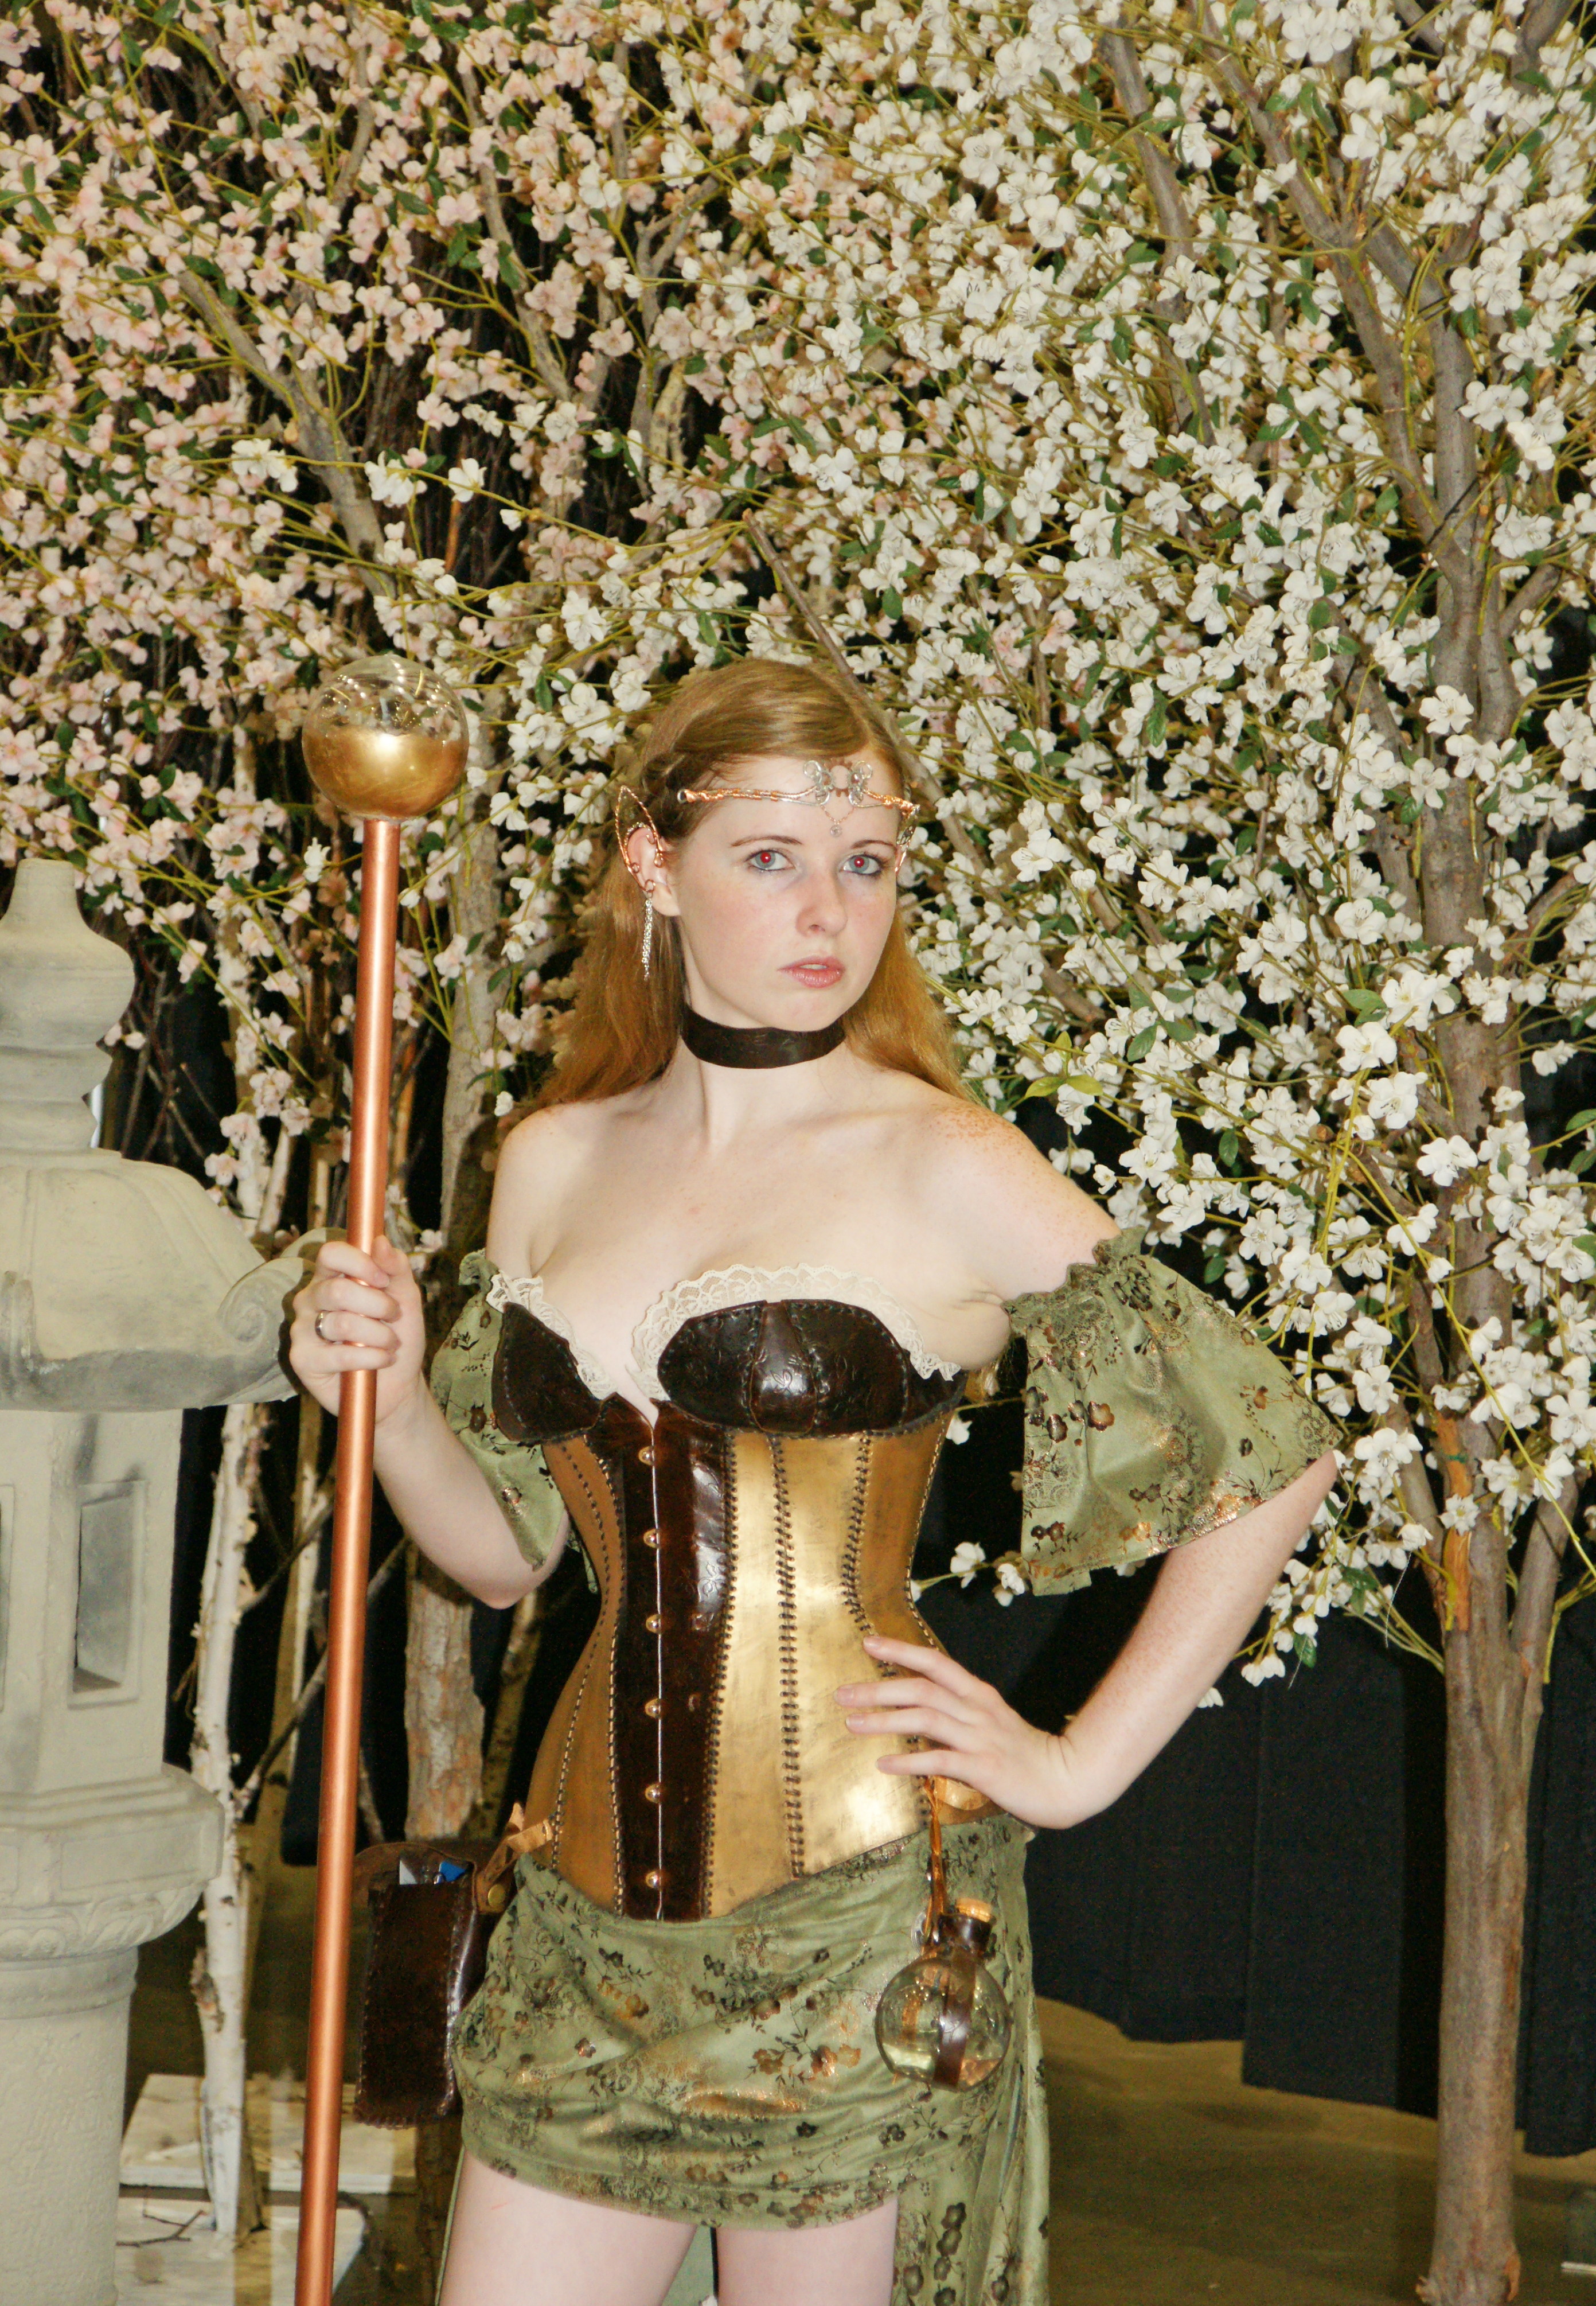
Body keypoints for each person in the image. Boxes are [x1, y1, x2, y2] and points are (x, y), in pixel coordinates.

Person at [289, 655, 1339, 2306]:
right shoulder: (551, 1159)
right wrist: (391, 1394)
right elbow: (501, 1556)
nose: (830, 911)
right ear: (655, 865)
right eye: (771, 857)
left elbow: (1270, 1452)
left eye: (867, 862)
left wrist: (1073, 1766)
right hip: (578, 1913)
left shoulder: (941, 1159)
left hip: (851, 1916)